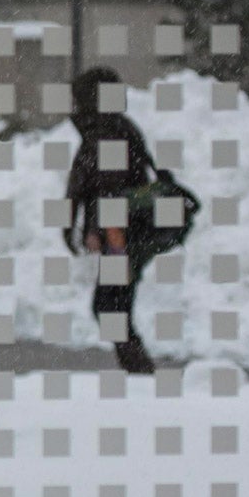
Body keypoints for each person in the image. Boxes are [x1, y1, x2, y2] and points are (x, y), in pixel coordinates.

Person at [62, 65, 157, 374]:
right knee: (114, 306)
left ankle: (140, 371)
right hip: (132, 232)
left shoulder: (105, 134)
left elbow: (106, 188)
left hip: (121, 235)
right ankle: (139, 369)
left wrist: (94, 230)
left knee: (108, 306)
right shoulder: (121, 128)